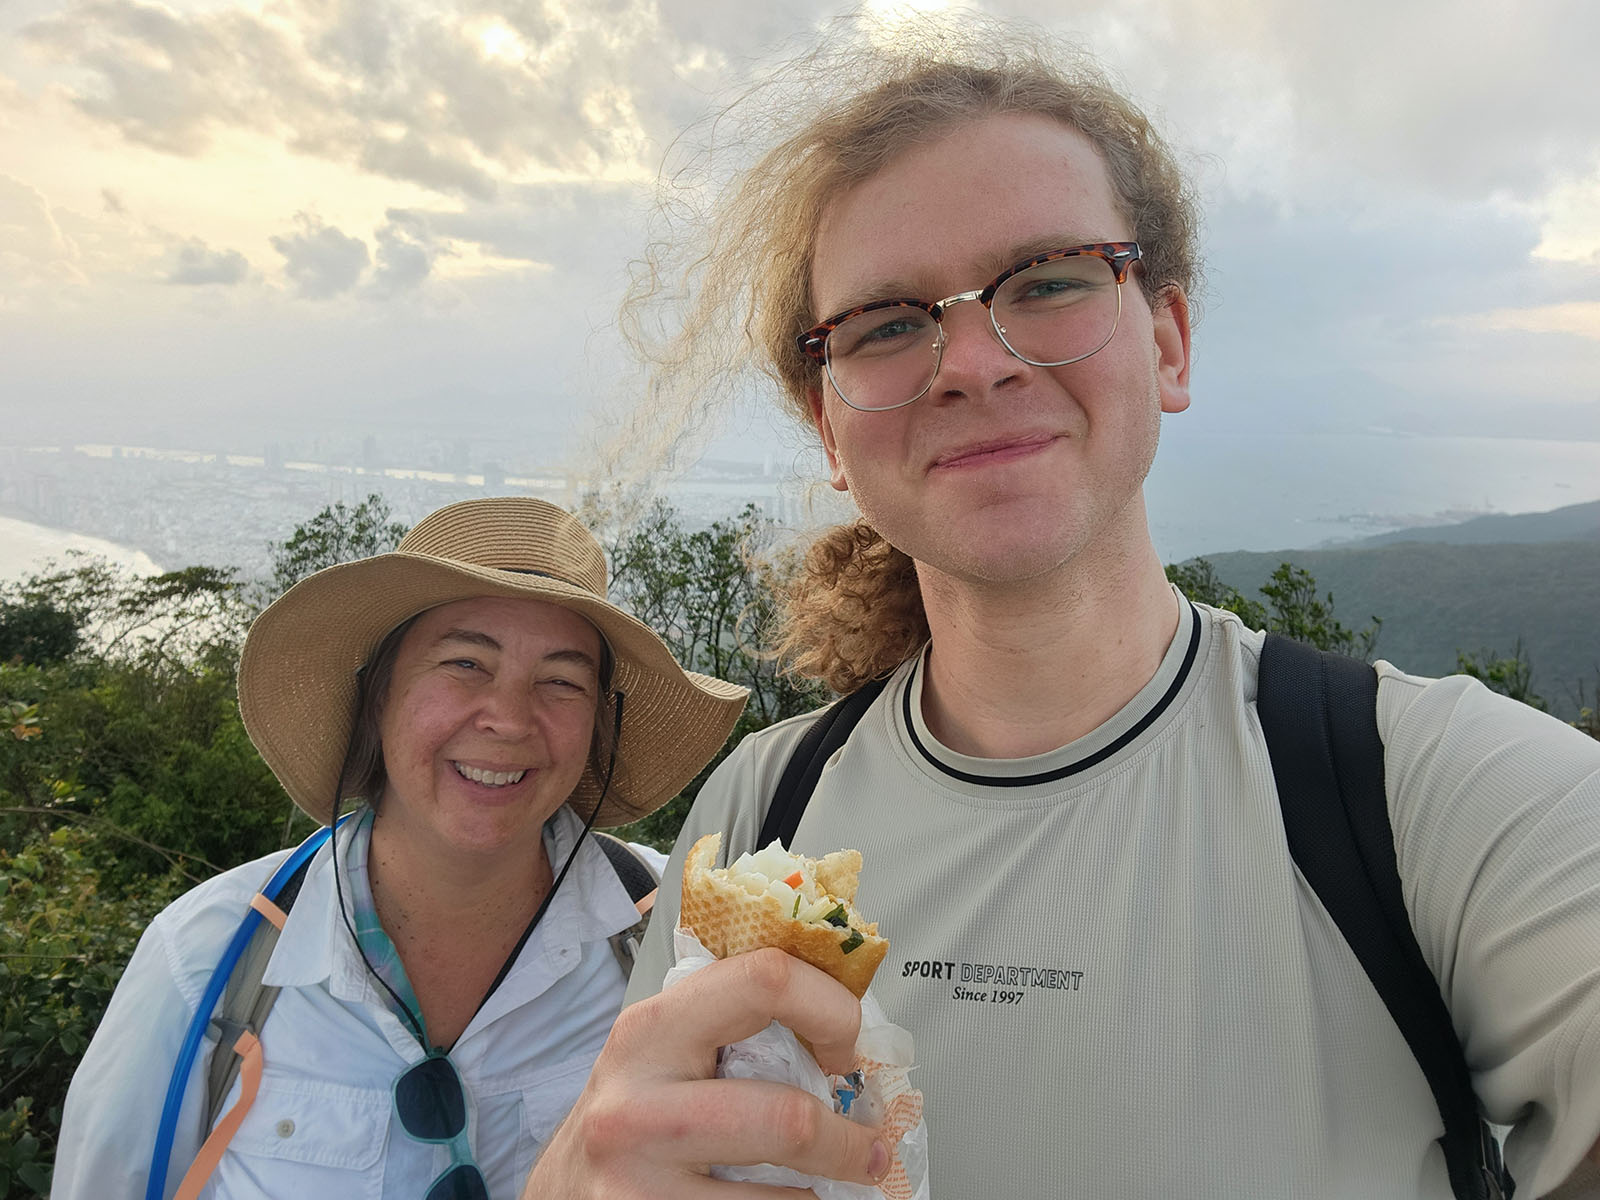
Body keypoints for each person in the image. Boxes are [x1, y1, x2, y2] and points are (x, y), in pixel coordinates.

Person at [523, 19, 1600, 1200]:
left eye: (1046, 281)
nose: (971, 363)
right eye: (887, 323)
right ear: (829, 428)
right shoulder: (764, 807)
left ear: (1168, 341)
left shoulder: (1418, 794)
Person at [53, 496, 747, 1199]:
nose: (508, 719)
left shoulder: (680, 939)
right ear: (378, 695)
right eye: (465, 664)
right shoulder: (208, 959)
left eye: (561, 682)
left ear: (599, 721)